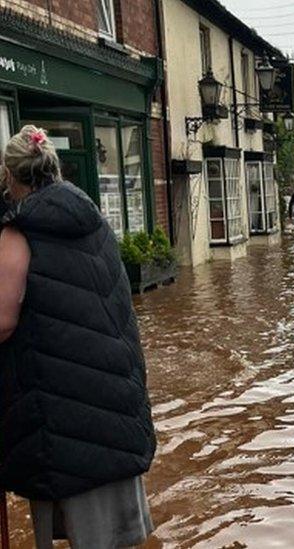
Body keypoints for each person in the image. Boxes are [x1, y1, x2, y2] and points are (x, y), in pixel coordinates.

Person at [0, 126, 156, 548]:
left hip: (65, 422)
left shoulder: (19, 231)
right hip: (116, 409)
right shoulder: (94, 222)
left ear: (11, 179)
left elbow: (2, 320)